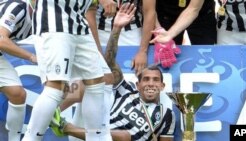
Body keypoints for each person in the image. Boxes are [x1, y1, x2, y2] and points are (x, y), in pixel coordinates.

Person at [50, 3, 176, 141]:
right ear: (137, 85)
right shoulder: (126, 91)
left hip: (116, 138)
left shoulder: (166, 114)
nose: (151, 84)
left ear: (163, 86)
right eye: (146, 79)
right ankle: (52, 113)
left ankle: (64, 127)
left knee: (125, 137)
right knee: (93, 79)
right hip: (94, 135)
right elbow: (108, 63)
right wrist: (116, 28)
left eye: (156, 80)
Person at [21, 0, 116, 141]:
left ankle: (96, 137)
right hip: (54, 18)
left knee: (98, 82)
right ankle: (30, 138)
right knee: (55, 87)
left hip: (79, 21)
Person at [0, 0, 37, 141]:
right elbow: (1, 40)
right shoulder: (18, 7)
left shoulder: (39, 18)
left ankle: (14, 139)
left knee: (17, 94)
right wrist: (31, 56)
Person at [96, 0, 156, 75]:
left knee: (133, 75)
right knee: (101, 75)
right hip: (100, 31)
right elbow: (88, 14)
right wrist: (97, 51)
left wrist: (142, 51)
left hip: (132, 32)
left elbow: (149, 12)